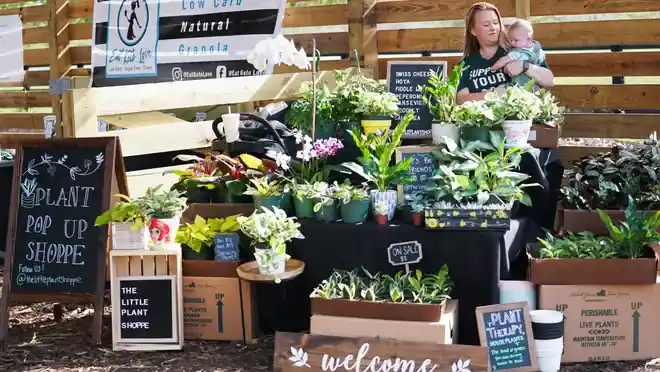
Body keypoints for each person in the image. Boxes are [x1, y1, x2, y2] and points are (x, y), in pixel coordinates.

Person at [456, 2, 554, 103]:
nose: (493, 28)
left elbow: (550, 81)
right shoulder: (467, 64)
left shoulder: (517, 50)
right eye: (486, 24)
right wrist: (494, 95)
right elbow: (460, 98)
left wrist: (525, 66)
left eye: (495, 23)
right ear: (473, 30)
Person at [491, 19, 546, 87]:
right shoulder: (539, 51)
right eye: (511, 40)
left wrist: (493, 68)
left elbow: (503, 60)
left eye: (516, 40)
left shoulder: (517, 53)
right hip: (535, 86)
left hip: (520, 85)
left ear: (528, 39)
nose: (512, 43)